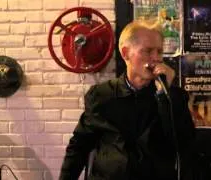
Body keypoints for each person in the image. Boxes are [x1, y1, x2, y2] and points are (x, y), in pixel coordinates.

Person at [59, 19, 195, 180]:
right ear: (125, 53)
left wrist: (166, 96)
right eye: (147, 51)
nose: (156, 58)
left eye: (159, 52)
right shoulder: (101, 95)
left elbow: (184, 142)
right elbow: (79, 146)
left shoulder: (172, 96)